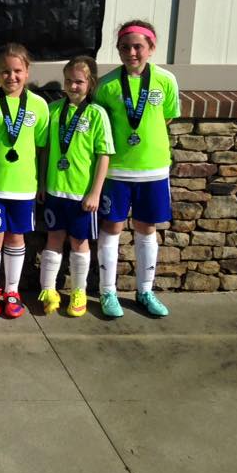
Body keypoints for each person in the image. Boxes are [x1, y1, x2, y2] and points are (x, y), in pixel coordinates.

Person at [95, 19, 180, 318]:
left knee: (146, 229)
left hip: (153, 169)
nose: (131, 53)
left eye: (138, 47)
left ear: (151, 48)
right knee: (111, 228)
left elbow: (167, 116)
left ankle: (145, 290)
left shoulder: (166, 80)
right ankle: (107, 292)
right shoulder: (107, 85)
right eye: (125, 47)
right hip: (117, 171)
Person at [0, 43, 49, 319]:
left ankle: (12, 290)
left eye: (17, 71)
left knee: (16, 238)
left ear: (27, 72)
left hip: (23, 187)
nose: (11, 76)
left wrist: (41, 183)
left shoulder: (39, 105)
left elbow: (42, 148)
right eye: (5, 71)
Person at [37, 56, 113, 317]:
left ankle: (79, 291)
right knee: (53, 238)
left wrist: (95, 192)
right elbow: (45, 150)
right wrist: (43, 182)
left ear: (91, 83)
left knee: (79, 242)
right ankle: (48, 289)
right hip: (55, 191)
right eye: (68, 80)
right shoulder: (53, 110)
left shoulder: (97, 113)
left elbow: (104, 155)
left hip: (82, 195)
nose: (72, 86)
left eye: (79, 81)